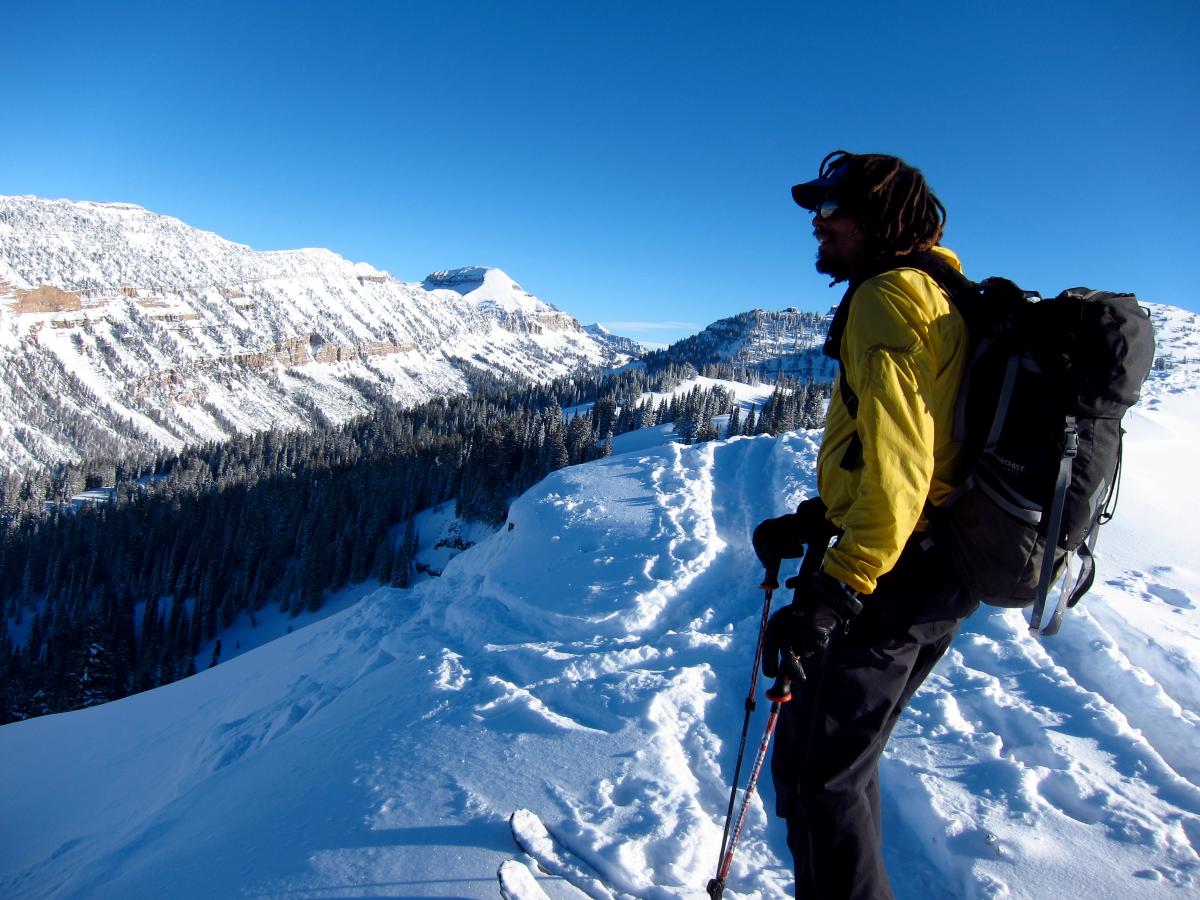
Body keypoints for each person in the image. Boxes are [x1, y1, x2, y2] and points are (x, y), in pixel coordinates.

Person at [756, 151, 980, 899]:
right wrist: (818, 517)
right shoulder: (937, 288)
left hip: (899, 570)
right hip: (928, 561)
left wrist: (836, 589)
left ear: (878, 219)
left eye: (831, 210)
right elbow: (914, 445)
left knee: (821, 779)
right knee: (826, 765)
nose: (817, 225)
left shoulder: (888, 298)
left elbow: (901, 465)